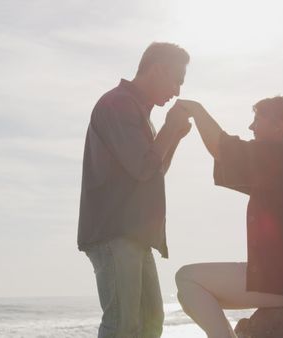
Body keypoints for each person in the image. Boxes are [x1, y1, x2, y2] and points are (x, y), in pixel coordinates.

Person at [174, 97, 283, 338]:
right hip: (282, 280)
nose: (251, 127)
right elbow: (225, 156)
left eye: (257, 120)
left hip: (280, 283)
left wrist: (196, 109)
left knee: (187, 278)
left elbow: (223, 148)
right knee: (188, 287)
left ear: (278, 125)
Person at [77, 42, 191, 338]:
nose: (177, 91)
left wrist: (174, 135)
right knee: (123, 324)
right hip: (114, 232)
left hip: (134, 235)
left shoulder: (137, 110)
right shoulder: (117, 104)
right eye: (177, 80)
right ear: (158, 69)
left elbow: (155, 171)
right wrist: (169, 128)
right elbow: (143, 167)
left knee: (151, 322)